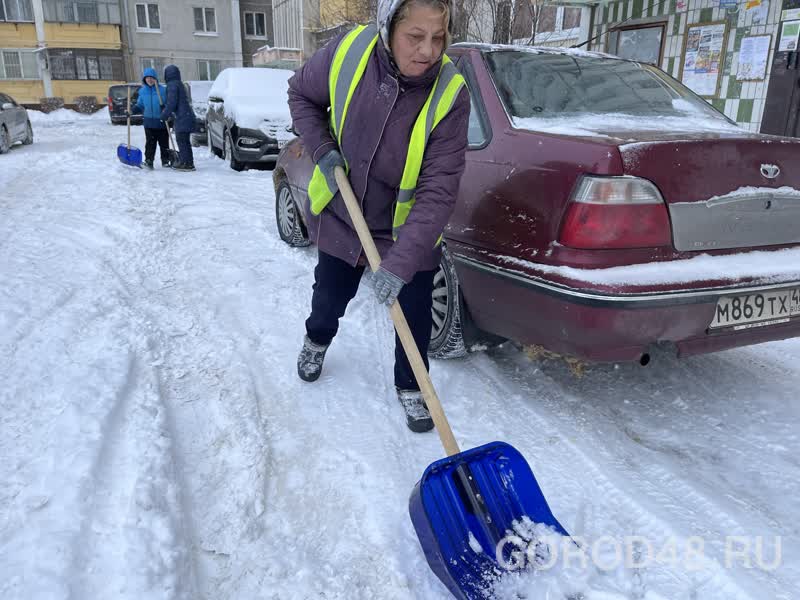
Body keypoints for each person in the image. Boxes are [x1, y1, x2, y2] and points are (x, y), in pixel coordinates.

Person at [288, 0, 470, 432]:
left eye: (438, 38)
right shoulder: (348, 51)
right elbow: (301, 95)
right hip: (343, 215)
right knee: (329, 299)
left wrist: (401, 262)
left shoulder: (450, 93)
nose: (428, 50)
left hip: (407, 231)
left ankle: (413, 387)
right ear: (388, 29)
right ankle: (316, 340)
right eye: (415, 36)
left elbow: (438, 188)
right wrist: (322, 149)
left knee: (413, 315)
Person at [131, 67, 170, 169]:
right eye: (147, 78)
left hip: (161, 122)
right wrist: (131, 111)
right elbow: (140, 105)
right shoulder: (142, 91)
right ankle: (149, 161)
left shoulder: (163, 90)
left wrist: (165, 108)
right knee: (150, 144)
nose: (149, 80)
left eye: (151, 78)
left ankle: (165, 161)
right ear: (144, 79)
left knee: (164, 143)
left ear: (155, 78)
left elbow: (169, 104)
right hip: (149, 123)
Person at [160, 65, 196, 171]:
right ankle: (189, 162)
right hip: (187, 116)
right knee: (185, 141)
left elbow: (172, 103)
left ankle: (185, 163)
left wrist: (164, 115)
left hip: (182, 117)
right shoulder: (179, 84)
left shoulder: (172, 85)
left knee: (182, 140)